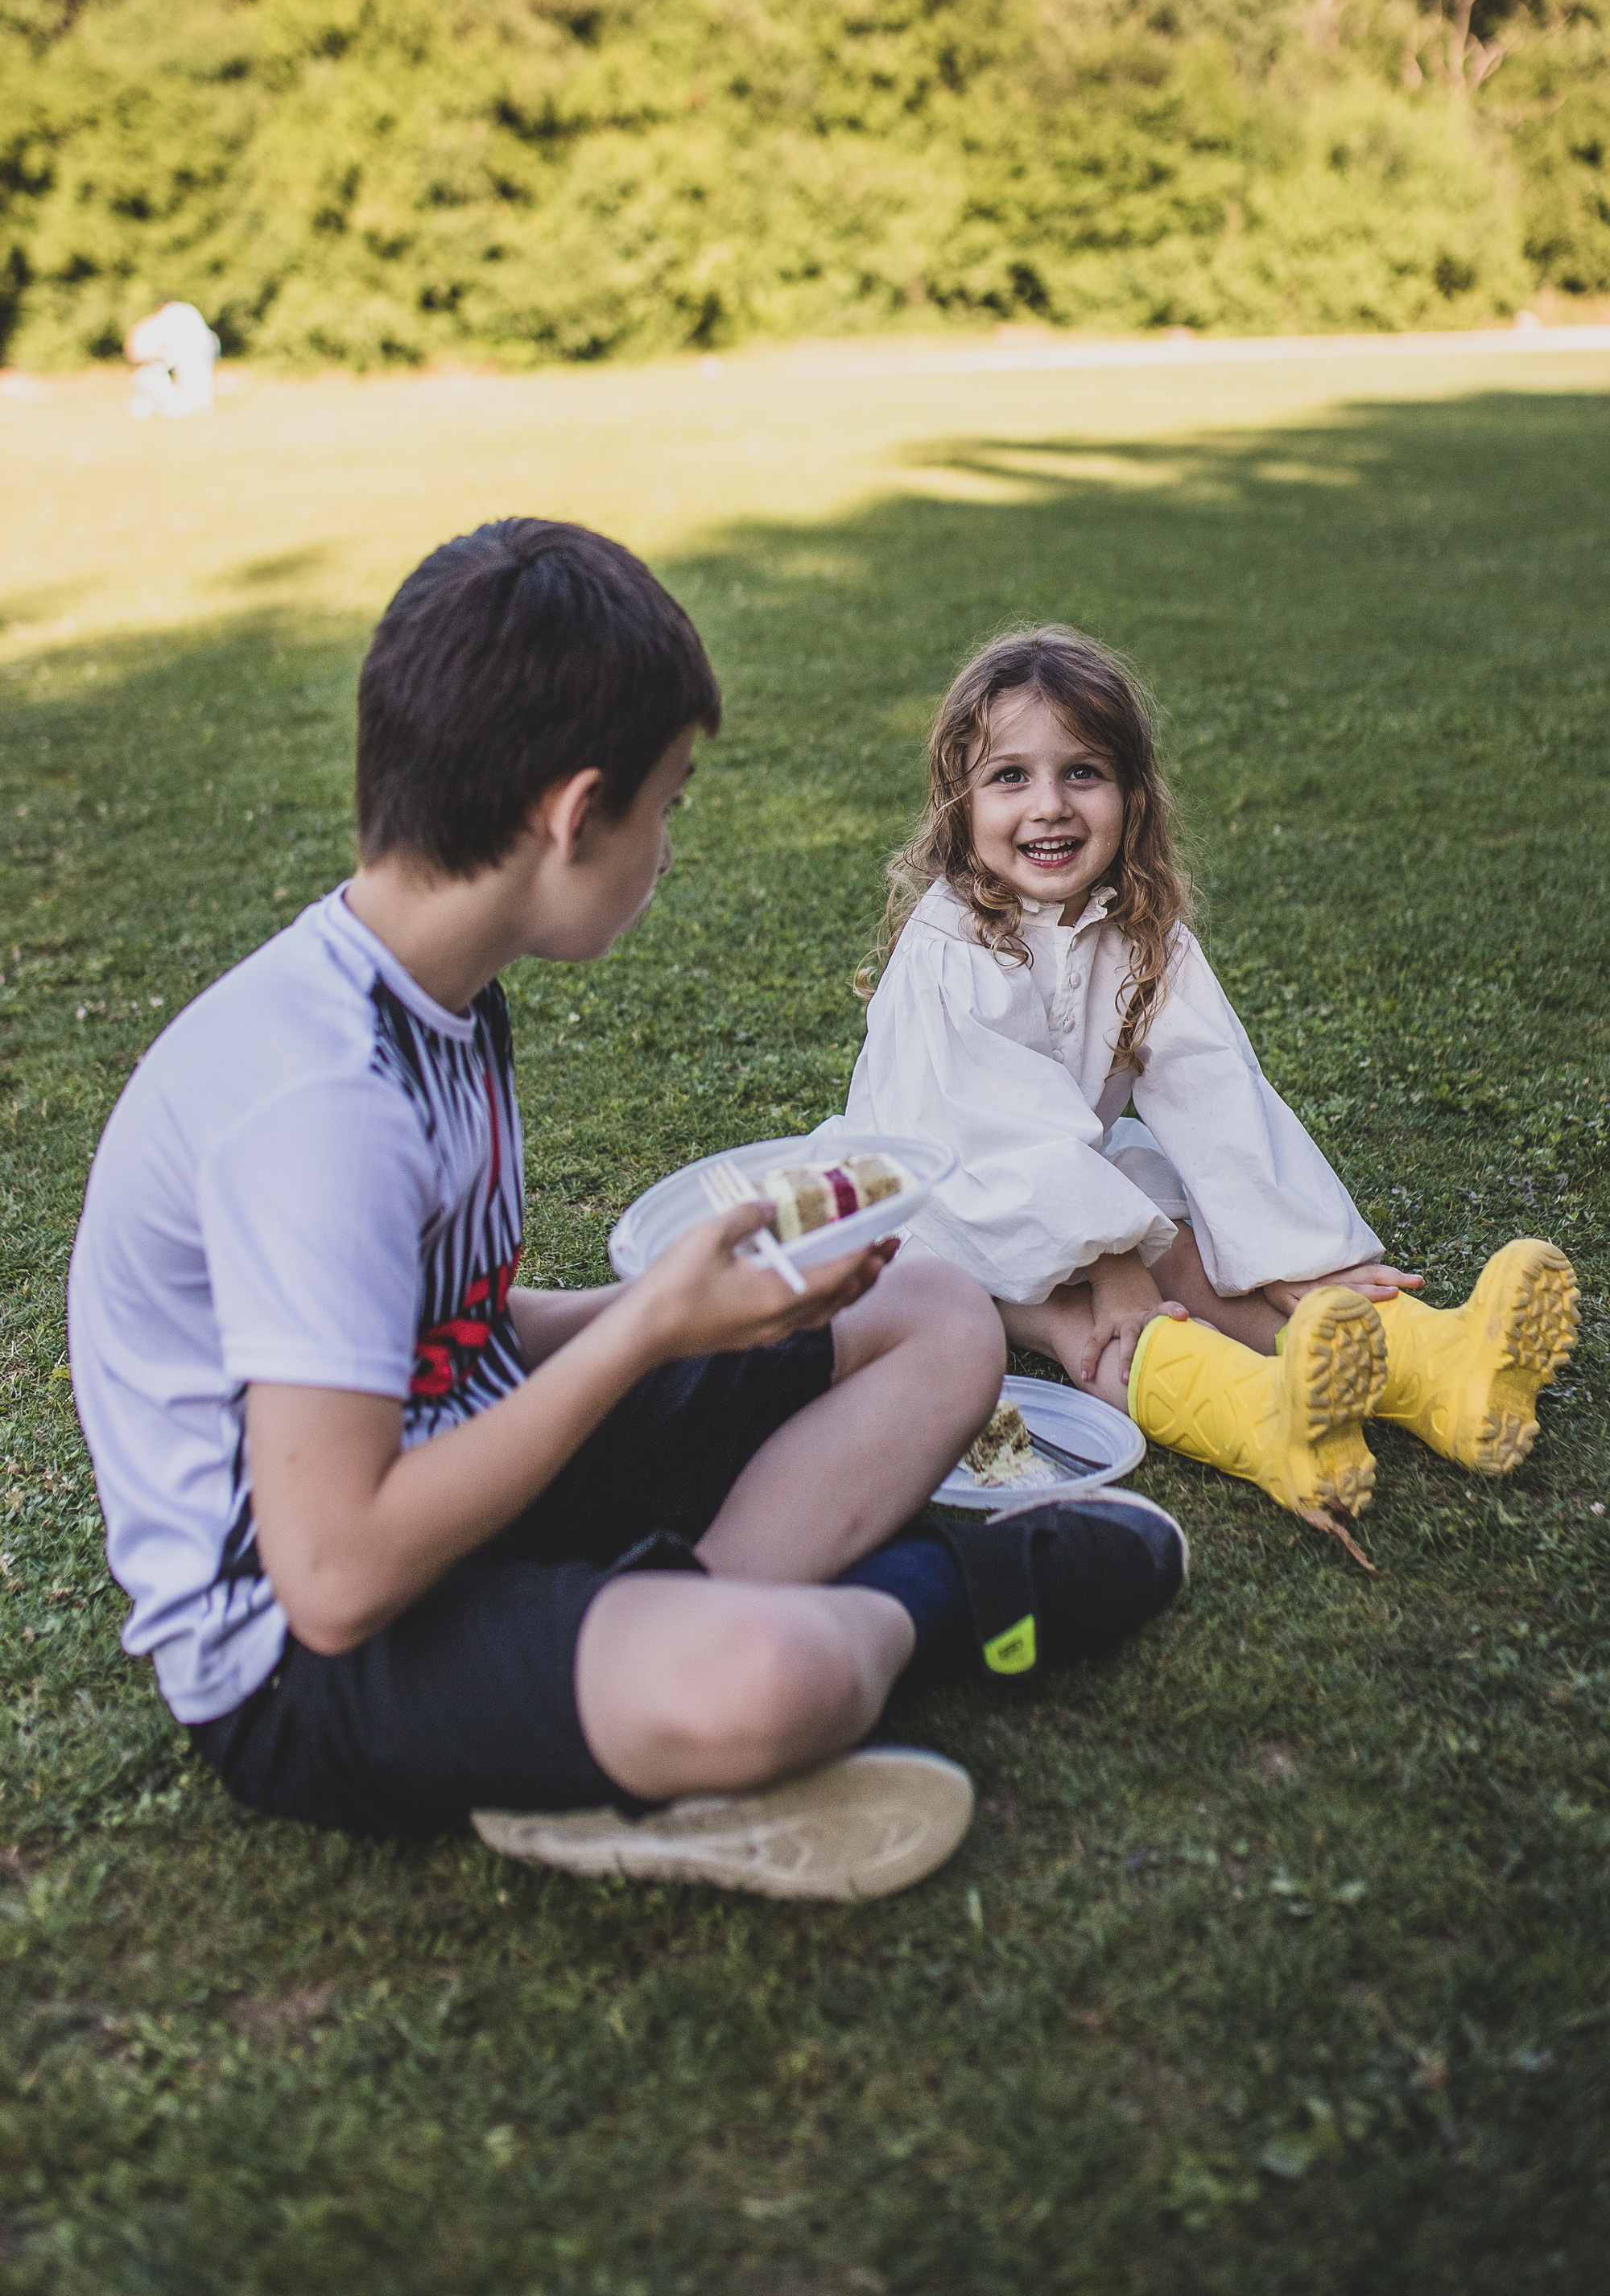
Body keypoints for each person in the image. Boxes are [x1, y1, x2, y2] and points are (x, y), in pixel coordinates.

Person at [68, 527, 1190, 1905]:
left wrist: (694, 1311)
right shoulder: (319, 1105)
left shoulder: (439, 997)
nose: (664, 848)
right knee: (784, 1677)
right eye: (665, 805)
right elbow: (337, 1578)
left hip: (474, 1482)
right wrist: (647, 1332)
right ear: (573, 812)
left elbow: (447, 1336)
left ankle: (640, 1645)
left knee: (941, 1316)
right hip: (306, 1659)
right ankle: (939, 1598)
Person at [844, 627, 1578, 1561]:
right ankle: (1259, 1420)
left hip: (1073, 1179)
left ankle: (1436, 1369)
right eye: (1009, 778)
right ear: (959, 801)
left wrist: (1298, 1258)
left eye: (1082, 773)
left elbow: (1212, 1091)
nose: (1049, 806)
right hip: (934, 1211)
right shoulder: (953, 947)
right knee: (1086, 1315)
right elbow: (1001, 1142)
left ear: (1132, 795)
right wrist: (1111, 1264)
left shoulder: (1138, 926)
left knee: (1192, 1249)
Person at [124, 301, 220, 418]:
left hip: (188, 358)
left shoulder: (170, 318)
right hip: (203, 349)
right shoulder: (186, 314)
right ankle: (201, 405)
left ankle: (194, 405)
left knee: (151, 376)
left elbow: (136, 352)